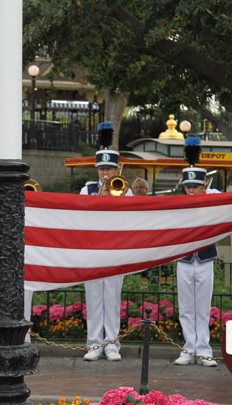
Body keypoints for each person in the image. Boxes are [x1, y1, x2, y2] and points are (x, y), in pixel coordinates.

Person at [80, 149, 129, 361]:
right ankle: (94, 345)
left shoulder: (125, 190)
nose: (105, 173)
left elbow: (131, 216)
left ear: (117, 169)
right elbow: (81, 214)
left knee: (112, 299)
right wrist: (100, 197)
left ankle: (111, 345)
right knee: (93, 299)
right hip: (92, 251)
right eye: (102, 169)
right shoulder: (87, 189)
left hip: (115, 251)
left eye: (109, 168)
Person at [174, 166, 219, 367]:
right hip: (183, 259)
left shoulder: (211, 201)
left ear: (204, 187)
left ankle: (203, 350)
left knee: (202, 308)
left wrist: (207, 195)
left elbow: (222, 199)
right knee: (185, 308)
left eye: (196, 187)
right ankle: (188, 348)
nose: (191, 190)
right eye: (188, 187)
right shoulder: (178, 205)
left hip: (205, 258)